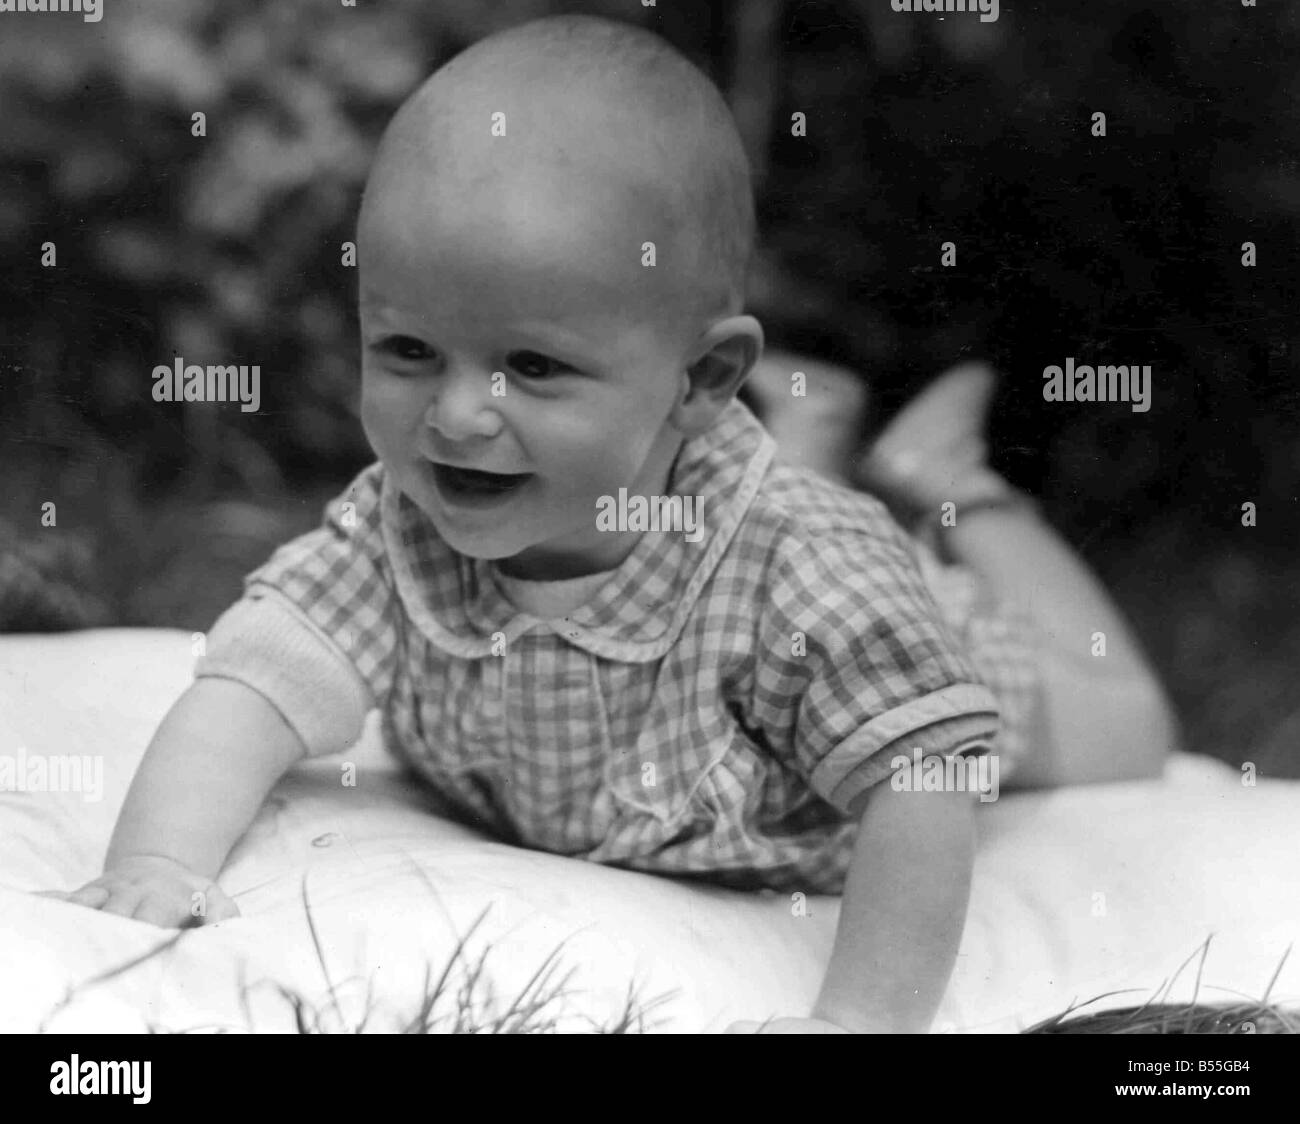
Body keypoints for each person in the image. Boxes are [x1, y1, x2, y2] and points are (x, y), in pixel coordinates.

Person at [50, 15, 1176, 1034]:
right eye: (406, 350)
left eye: (530, 366)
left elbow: (923, 775)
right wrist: (157, 863)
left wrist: (861, 1020)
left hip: (929, 634)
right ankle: (817, 425)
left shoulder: (809, 575)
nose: (452, 415)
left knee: (1131, 727)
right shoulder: (398, 528)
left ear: (701, 378)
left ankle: (958, 485)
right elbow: (249, 684)